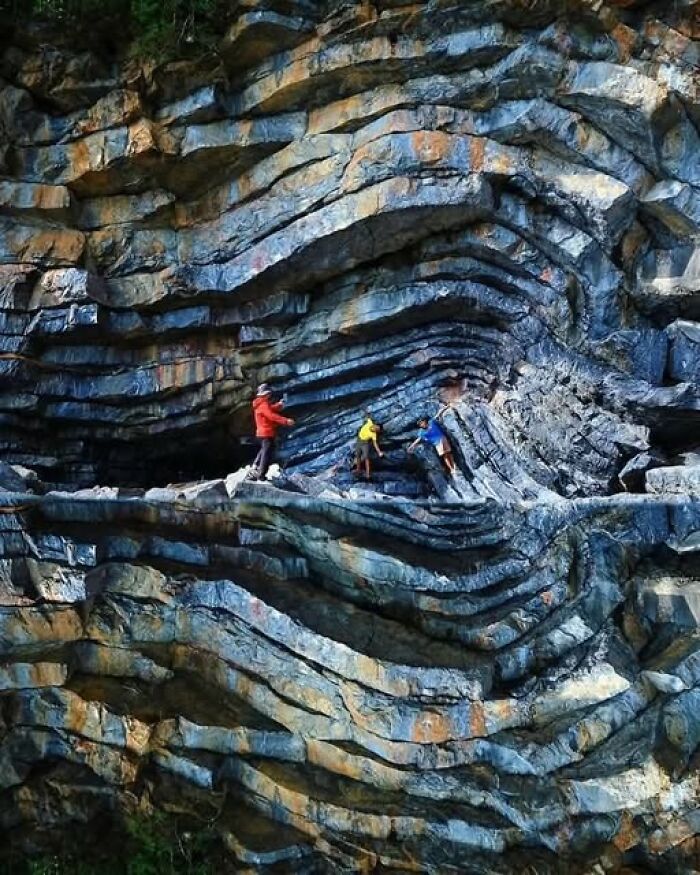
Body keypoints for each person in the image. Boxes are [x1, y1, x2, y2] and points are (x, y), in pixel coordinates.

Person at [250, 384, 294, 481]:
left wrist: (279, 404)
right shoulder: (263, 404)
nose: (270, 395)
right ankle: (261, 475)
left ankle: (255, 466)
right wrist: (286, 421)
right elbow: (271, 416)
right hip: (266, 432)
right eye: (269, 393)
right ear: (266, 394)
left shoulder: (260, 403)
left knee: (264, 450)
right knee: (267, 454)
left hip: (262, 432)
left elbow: (270, 409)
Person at [354, 413, 384, 481]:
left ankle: (368, 474)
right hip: (359, 440)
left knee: (366, 458)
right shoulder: (370, 422)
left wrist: (379, 452)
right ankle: (358, 470)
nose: (376, 429)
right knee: (358, 456)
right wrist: (367, 413)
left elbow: (375, 444)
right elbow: (368, 416)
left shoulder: (373, 434)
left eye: (377, 430)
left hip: (365, 443)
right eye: (377, 427)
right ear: (375, 425)